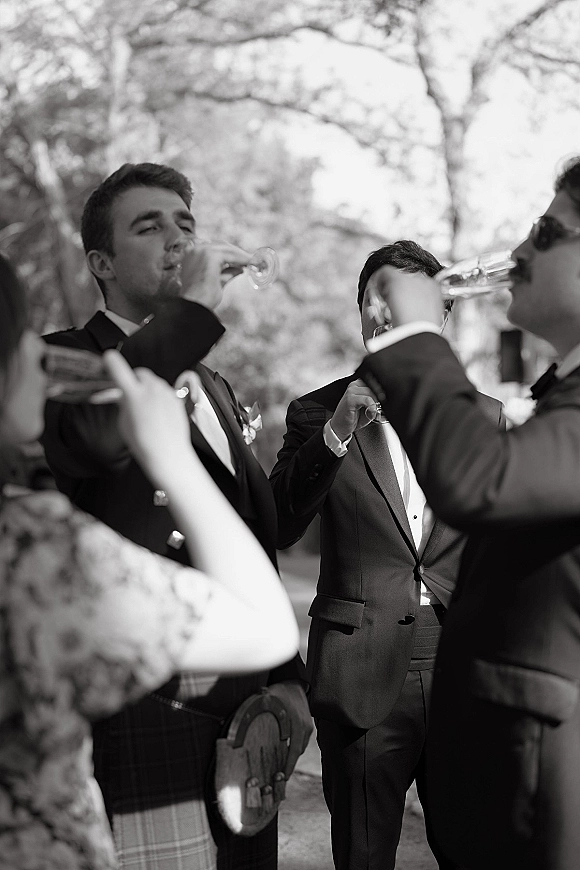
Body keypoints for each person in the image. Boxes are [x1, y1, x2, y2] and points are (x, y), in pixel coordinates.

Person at [40, 163, 310, 870]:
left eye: (185, 224)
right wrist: (193, 313)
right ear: (100, 262)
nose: (176, 239)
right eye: (149, 225)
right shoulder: (68, 359)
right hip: (146, 706)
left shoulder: (213, 384)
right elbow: (97, 439)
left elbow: (254, 536)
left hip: (244, 711)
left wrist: (286, 676)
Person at [356, 156, 580, 870]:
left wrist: (417, 336)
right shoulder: (558, 396)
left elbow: (480, 480)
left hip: (546, 791)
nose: (517, 252)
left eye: (545, 232)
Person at [269, 240, 503, 870]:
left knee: (473, 847)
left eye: (403, 298)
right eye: (374, 298)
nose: (385, 311)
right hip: (362, 669)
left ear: (440, 316)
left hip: (460, 669)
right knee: (364, 855)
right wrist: (336, 435)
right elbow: (281, 522)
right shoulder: (315, 412)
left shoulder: (484, 417)